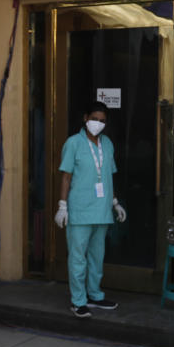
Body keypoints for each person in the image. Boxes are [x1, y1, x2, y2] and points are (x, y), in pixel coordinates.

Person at [54, 100, 127, 318]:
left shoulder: (107, 144)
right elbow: (66, 176)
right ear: (85, 118)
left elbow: (108, 177)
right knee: (78, 257)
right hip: (79, 210)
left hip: (102, 210)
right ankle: (78, 301)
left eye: (102, 121)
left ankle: (94, 295)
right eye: (94, 119)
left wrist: (115, 203)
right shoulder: (73, 143)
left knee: (97, 256)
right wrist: (62, 206)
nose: (98, 123)